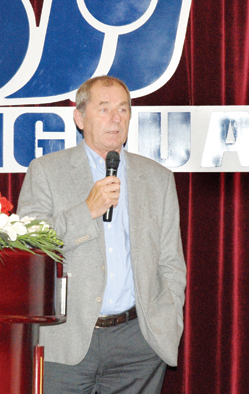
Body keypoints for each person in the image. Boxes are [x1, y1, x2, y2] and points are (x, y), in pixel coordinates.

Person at [17, 75, 186, 394]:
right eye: (104, 108)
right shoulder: (47, 171)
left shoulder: (157, 178)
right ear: (80, 118)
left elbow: (171, 263)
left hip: (137, 345)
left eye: (123, 109)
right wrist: (87, 210)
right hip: (65, 340)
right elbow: (29, 245)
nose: (115, 118)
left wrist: (167, 320)